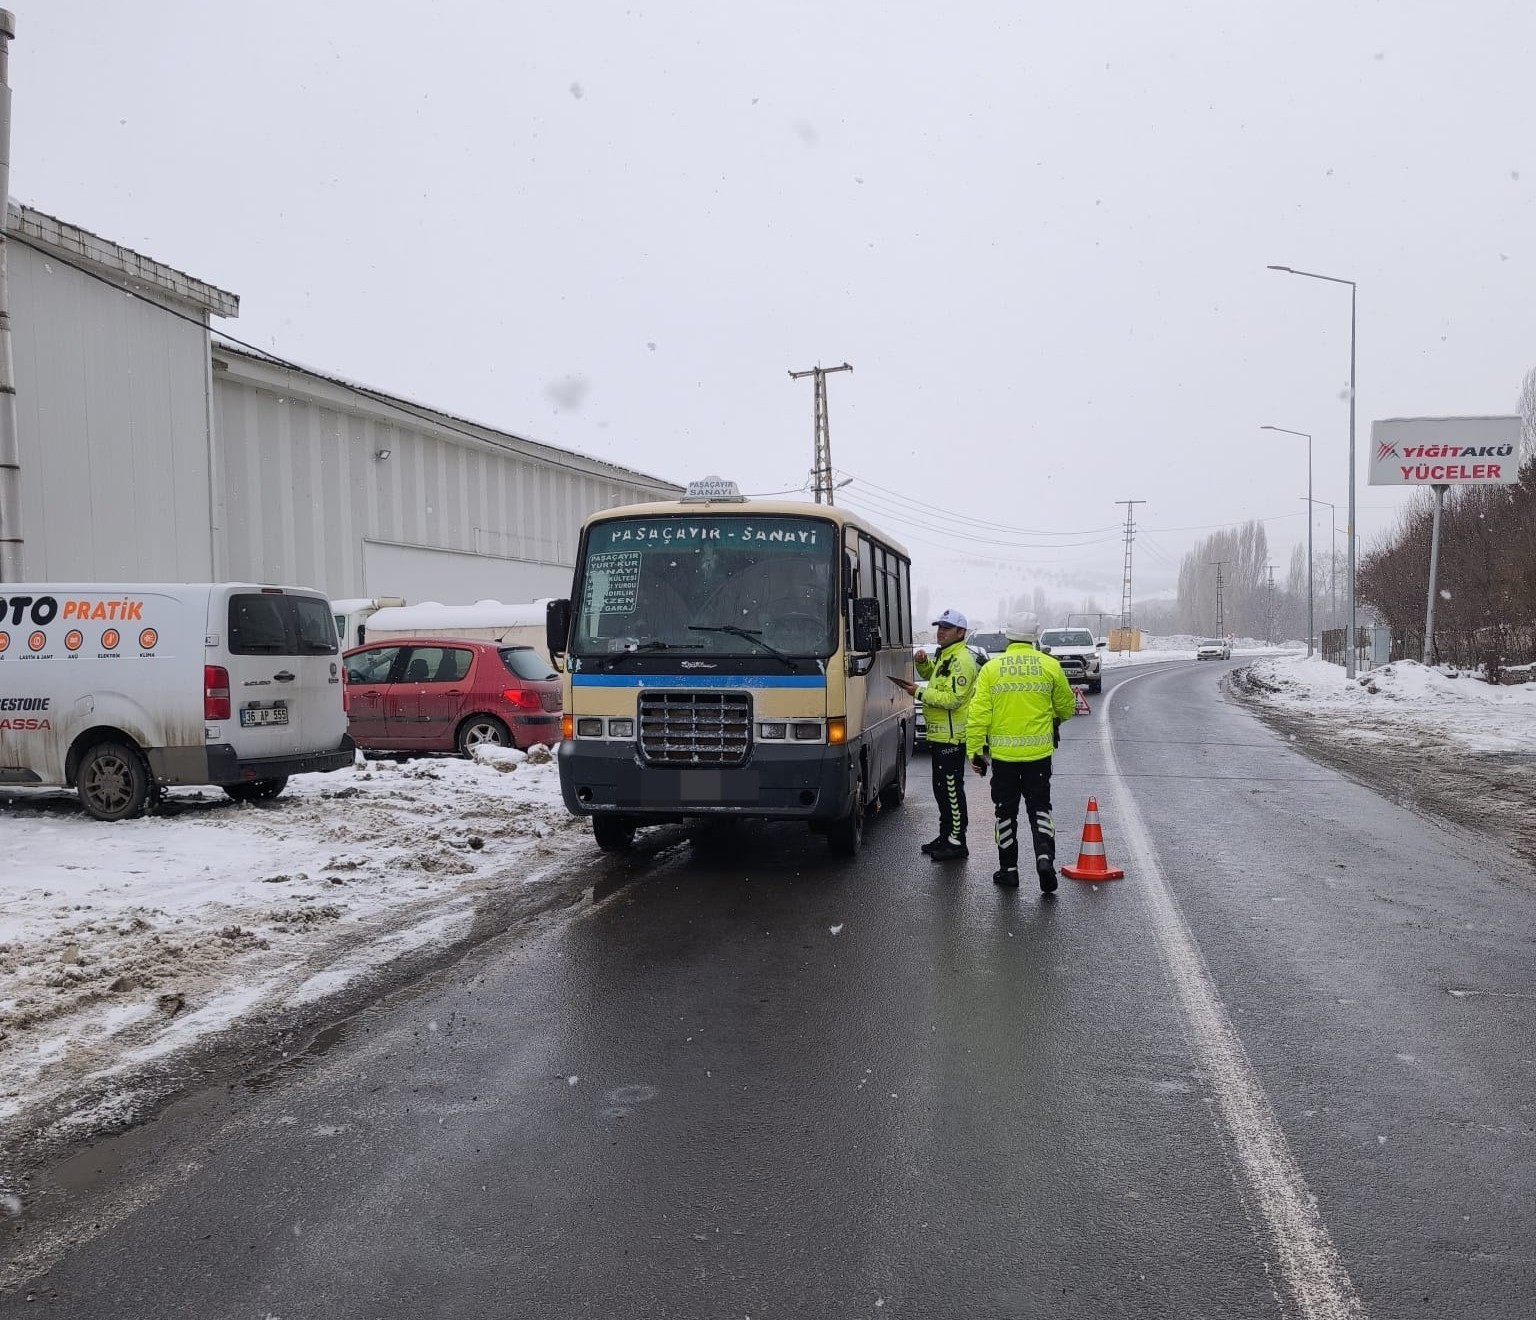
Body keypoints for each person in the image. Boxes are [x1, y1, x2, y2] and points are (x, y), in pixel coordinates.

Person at [965, 610, 1077, 892]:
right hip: (1038, 756)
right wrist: (1052, 720)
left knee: (1005, 813)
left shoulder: (991, 669)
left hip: (1004, 759)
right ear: (1034, 636)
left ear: (1008, 635)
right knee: (1040, 808)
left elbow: (978, 714)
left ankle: (1009, 869)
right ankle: (1044, 859)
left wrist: (975, 751)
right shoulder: (1049, 665)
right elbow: (1066, 706)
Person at [889, 607, 978, 861]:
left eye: (947, 628)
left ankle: (957, 841)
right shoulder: (946, 656)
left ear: (961, 632)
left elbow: (951, 698)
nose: (940, 632)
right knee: (940, 789)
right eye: (939, 627)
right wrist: (923, 664)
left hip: (952, 737)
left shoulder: (961, 660)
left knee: (951, 789)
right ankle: (945, 835)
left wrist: (918, 692)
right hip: (939, 736)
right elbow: (937, 679)